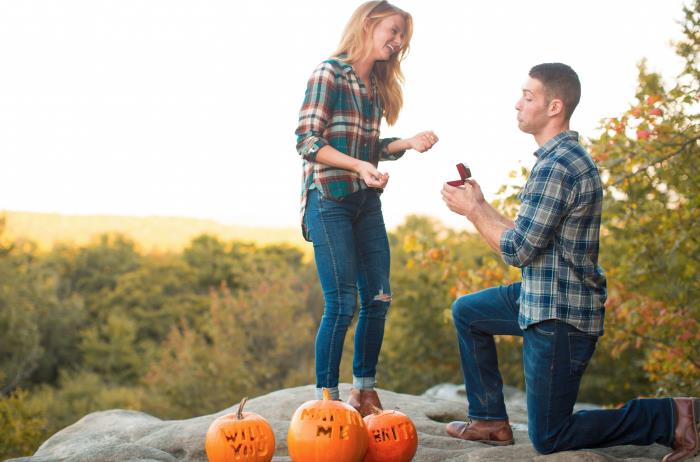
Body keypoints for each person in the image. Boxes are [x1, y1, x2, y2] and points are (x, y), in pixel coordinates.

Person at [440, 63, 699, 461]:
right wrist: (482, 206)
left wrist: (474, 212)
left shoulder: (558, 165)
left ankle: (669, 416)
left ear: (554, 106)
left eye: (528, 97)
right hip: (541, 294)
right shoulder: (558, 158)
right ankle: (490, 420)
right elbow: (532, 234)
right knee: (468, 312)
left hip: (560, 314)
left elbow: (517, 251)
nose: (517, 104)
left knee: (551, 437)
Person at [295, 0, 438, 416]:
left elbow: (371, 148)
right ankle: (327, 401)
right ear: (368, 24)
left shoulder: (374, 85)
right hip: (330, 199)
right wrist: (359, 165)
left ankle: (364, 390)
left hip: (364, 202)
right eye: (392, 32)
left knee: (379, 297)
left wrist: (406, 143)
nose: (397, 43)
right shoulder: (329, 73)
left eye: (401, 38)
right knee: (341, 303)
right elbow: (307, 141)